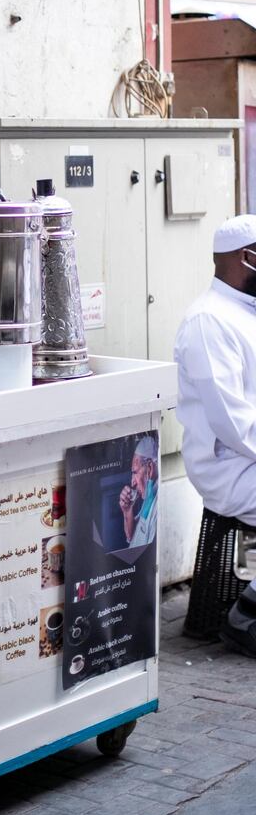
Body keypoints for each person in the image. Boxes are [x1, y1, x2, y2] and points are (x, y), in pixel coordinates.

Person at [173, 214, 256, 655]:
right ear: (247, 257)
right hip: (230, 466)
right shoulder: (209, 322)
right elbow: (235, 424)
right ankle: (247, 616)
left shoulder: (246, 312)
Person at [118, 436, 158, 548]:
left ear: (149, 467)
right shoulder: (149, 496)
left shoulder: (157, 500)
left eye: (135, 472)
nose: (132, 483)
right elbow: (131, 537)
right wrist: (127, 512)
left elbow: (142, 546)